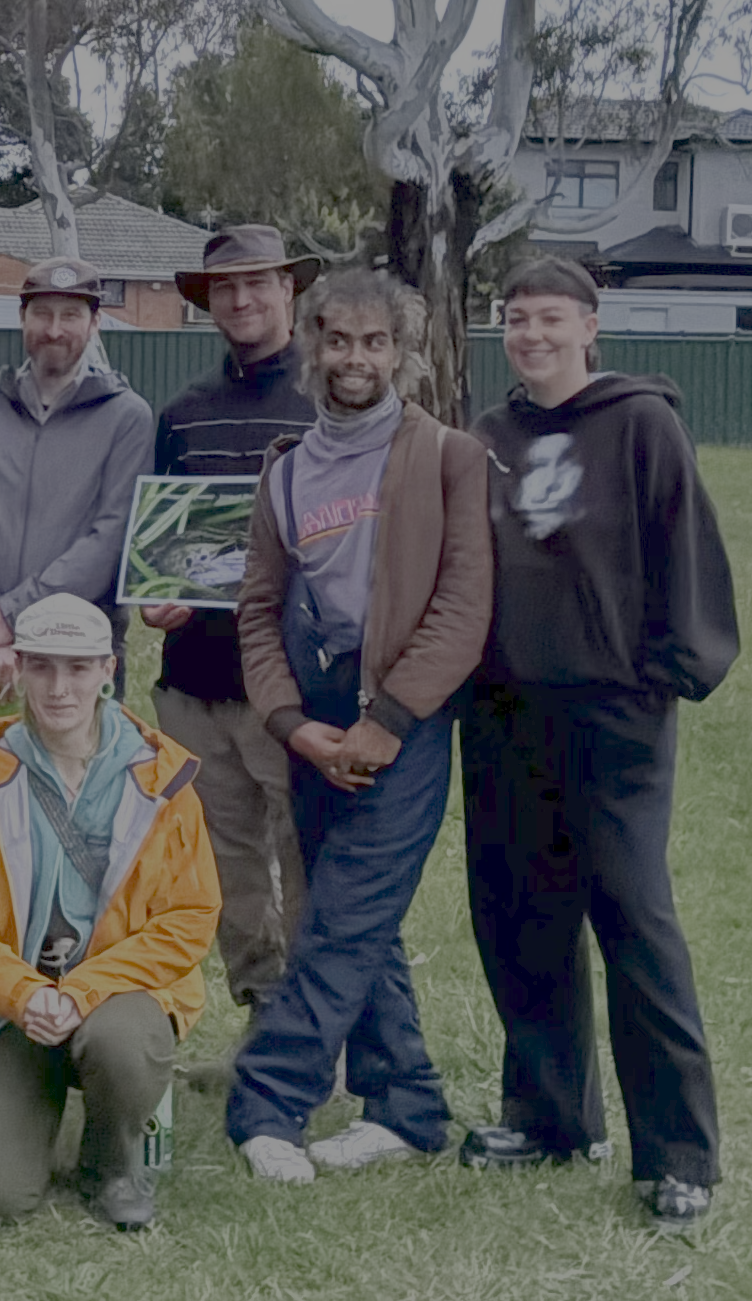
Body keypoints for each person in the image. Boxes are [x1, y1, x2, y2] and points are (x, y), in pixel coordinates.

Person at [462, 256, 739, 1234]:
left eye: (547, 319)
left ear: (588, 327)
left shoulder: (640, 424)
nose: (529, 335)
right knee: (516, 922)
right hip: (502, 718)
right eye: (513, 319)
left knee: (632, 921)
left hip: (610, 716)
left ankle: (678, 1156)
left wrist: (660, 675)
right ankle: (547, 1118)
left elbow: (682, 550)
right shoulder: (485, 439)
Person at [225, 270, 492, 1187]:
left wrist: (389, 721)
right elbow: (256, 608)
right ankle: (408, 1107)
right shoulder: (286, 468)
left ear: (402, 354)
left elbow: (463, 604)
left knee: (341, 916)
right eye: (337, 340)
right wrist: (292, 723)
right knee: (356, 911)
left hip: (404, 717)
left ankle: (266, 1102)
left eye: (374, 343)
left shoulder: (446, 455)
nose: (354, 359)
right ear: (312, 348)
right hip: (317, 715)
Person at [0, 594, 218, 1230]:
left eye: (78, 669)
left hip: (117, 997)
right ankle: (27, 1097)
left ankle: (112, 1165)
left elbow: (189, 918)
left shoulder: (161, 777)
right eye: (43, 667)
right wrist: (25, 994)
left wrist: (81, 993)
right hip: (9, 1003)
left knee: (121, 1043)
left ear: (109, 669)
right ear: (19, 669)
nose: (59, 689)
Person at [140, 226, 321, 1009]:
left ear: (290, 290)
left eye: (258, 284)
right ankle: (261, 1019)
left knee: (307, 860)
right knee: (225, 869)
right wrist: (151, 591)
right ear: (206, 303)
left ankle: (318, 1036)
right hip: (193, 684)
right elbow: (158, 542)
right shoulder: (181, 414)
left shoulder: (325, 405)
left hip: (288, 686)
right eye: (225, 288)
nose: (242, 300)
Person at [0, 256, 152, 754]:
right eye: (42, 313)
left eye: (71, 316)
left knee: (74, 814)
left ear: (95, 323)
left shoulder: (127, 418)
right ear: (22, 319)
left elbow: (110, 536)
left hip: (75, 659)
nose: (55, 329)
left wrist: (13, 617)